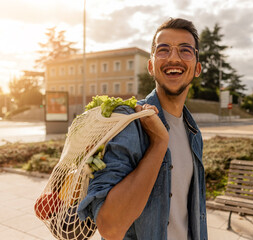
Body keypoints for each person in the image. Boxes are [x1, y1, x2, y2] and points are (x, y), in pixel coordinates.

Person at [78, 17, 208, 240]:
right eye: (163, 50)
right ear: (151, 65)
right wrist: (159, 143)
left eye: (185, 50)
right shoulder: (128, 122)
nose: (173, 58)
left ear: (197, 68)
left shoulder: (192, 131)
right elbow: (110, 227)